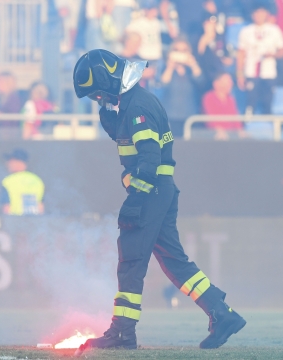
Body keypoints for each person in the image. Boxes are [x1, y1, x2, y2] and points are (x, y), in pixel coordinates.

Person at [72, 49, 246, 353]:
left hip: (150, 192)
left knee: (131, 261)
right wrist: (117, 127)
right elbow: (141, 148)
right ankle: (222, 313)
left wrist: (137, 199)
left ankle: (122, 333)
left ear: (108, 82)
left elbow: (149, 158)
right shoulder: (135, 102)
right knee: (174, 262)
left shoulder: (136, 107)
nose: (97, 100)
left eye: (97, 93)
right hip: (161, 191)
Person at [236, 5, 283, 114]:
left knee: (267, 104)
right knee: (250, 104)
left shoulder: (274, 30)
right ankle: (247, 127)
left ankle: (268, 127)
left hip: (269, 73)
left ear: (266, 14)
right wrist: (240, 74)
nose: (259, 15)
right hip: (251, 72)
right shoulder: (245, 31)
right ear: (252, 14)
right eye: (256, 13)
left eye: (261, 12)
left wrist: (272, 55)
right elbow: (241, 53)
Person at [160, 38, 204, 136]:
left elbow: (201, 82)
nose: (180, 53)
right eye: (176, 50)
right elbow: (162, 84)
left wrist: (193, 65)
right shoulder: (165, 68)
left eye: (184, 50)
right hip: (170, 115)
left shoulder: (191, 70)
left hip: (190, 115)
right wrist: (170, 67)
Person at [1, 148, 45, 216]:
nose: (7, 164)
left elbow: (6, 208)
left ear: (18, 162)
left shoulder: (8, 181)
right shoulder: (37, 180)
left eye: (10, 161)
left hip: (14, 223)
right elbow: (41, 207)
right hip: (33, 223)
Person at [202, 72, 245, 140]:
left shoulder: (231, 99)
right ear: (216, 83)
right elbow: (210, 118)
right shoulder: (209, 97)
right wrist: (219, 131)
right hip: (214, 136)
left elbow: (235, 118)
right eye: (228, 81)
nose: (231, 84)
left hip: (231, 135)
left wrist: (240, 131)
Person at [0, 71, 22, 139]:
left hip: (9, 137)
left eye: (0, 82)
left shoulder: (13, 99)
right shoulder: (3, 99)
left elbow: (13, 118)